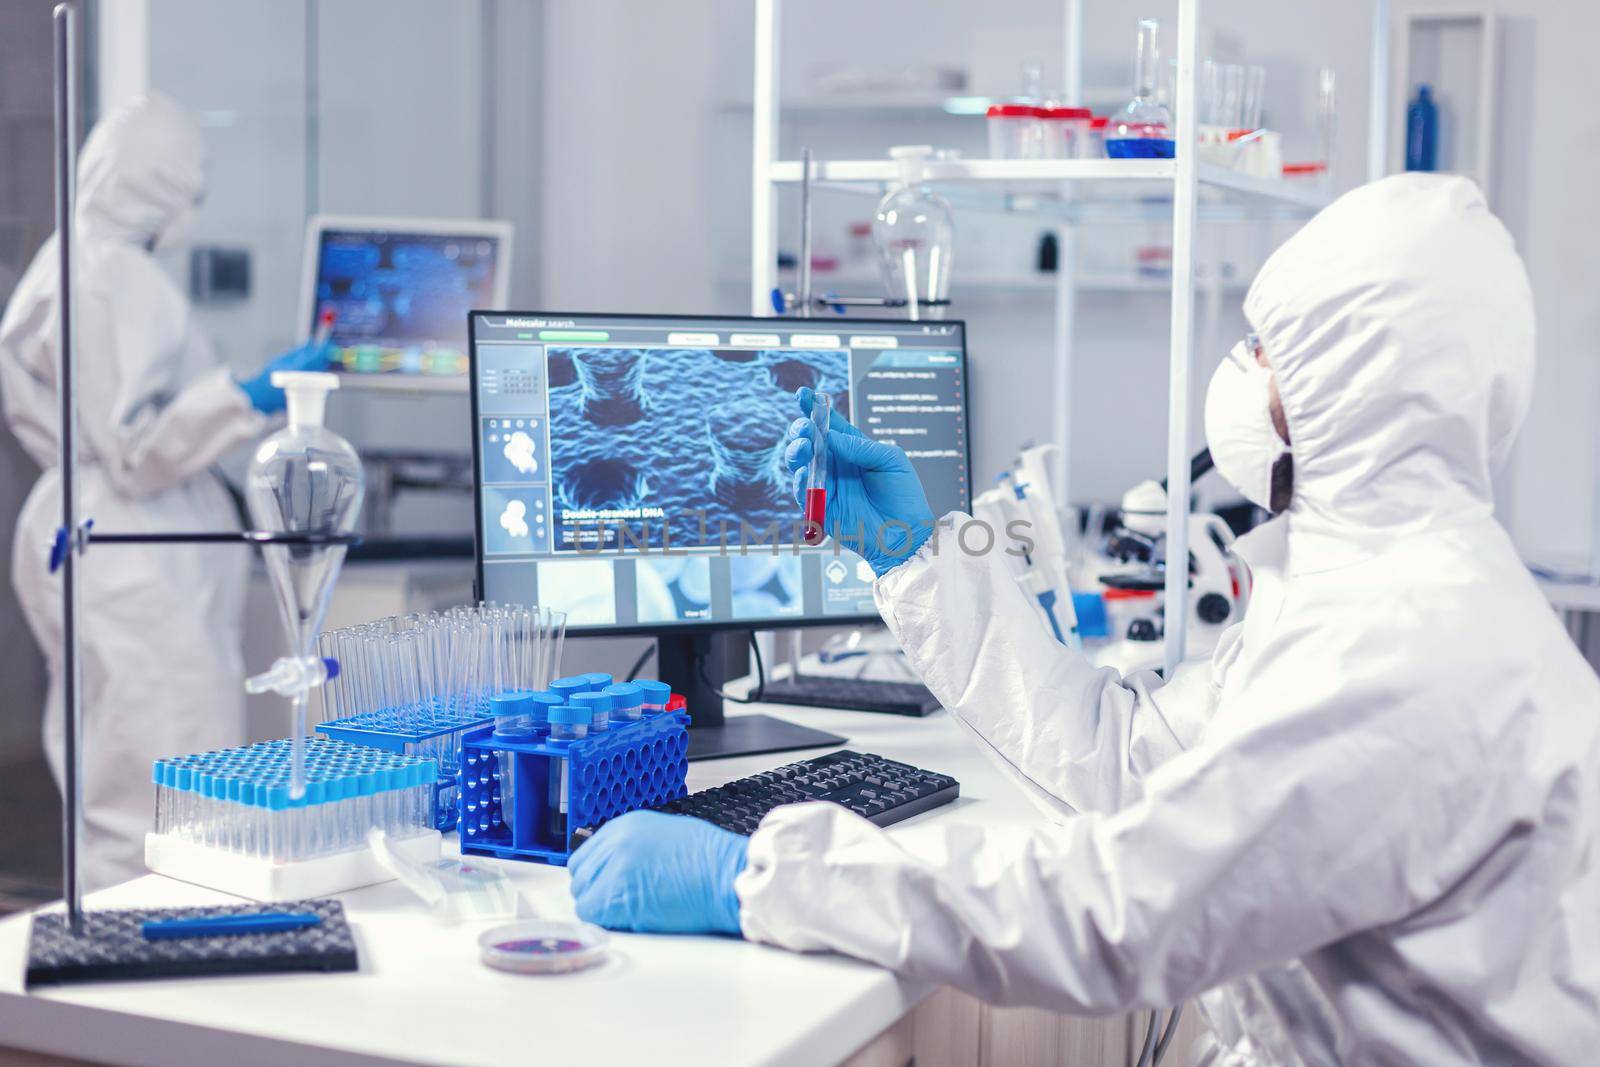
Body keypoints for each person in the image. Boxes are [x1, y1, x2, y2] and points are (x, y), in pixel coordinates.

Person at [569, 174, 1600, 1063]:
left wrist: (760, 874)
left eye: (1263, 346)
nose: (1236, 369)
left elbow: (1117, 907)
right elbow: (1134, 763)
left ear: (1352, 381)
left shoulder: (1407, 644)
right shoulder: (1378, 586)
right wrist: (919, 561)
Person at [0, 93, 330, 890]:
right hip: (131, 552)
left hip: (92, 537)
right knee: (163, 786)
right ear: (160, 181)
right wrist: (246, 397)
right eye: (194, 181)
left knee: (114, 760)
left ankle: (125, 941)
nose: (197, 199)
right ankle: (140, 956)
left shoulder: (72, 257)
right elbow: (138, 450)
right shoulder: (113, 273)